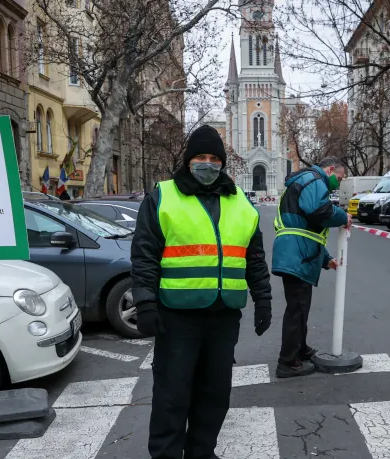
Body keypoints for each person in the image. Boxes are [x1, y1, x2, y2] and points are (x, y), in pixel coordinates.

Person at [131, 125, 272, 459]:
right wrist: (146, 303)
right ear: (188, 160)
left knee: (215, 394)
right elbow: (144, 254)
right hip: (177, 316)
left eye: (213, 158)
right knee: (172, 394)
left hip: (224, 318)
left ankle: (201, 453)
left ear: (222, 163)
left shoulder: (241, 202)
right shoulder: (163, 197)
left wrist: (263, 297)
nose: (207, 164)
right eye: (200, 157)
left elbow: (254, 257)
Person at [271, 157, 352, 378]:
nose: (339, 183)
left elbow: (308, 228)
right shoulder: (315, 179)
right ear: (330, 169)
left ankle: (300, 349)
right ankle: (287, 362)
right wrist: (343, 216)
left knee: (300, 307)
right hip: (296, 254)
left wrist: (326, 259)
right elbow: (318, 211)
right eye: (338, 178)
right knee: (297, 309)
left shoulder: (307, 179)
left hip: (296, 252)